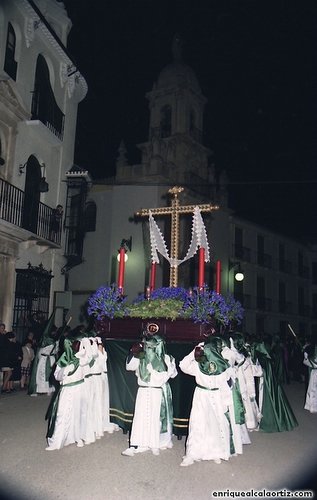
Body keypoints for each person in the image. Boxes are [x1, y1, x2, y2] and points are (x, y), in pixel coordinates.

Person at [179, 336, 245, 467]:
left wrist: (226, 402)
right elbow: (183, 365)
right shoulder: (198, 365)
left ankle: (216, 452)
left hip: (217, 395)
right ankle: (192, 454)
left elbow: (228, 383)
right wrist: (194, 352)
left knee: (216, 424)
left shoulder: (224, 366)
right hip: (201, 396)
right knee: (197, 424)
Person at [122, 328, 177, 457]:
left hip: (156, 392)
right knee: (140, 417)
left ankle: (154, 443)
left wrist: (153, 369)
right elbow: (129, 367)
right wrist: (133, 353)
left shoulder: (167, 359)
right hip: (143, 391)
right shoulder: (141, 356)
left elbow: (167, 376)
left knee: (155, 418)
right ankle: (135, 444)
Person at [303, 335, 317, 413]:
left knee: (313, 389)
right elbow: (307, 361)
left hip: (314, 372)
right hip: (314, 372)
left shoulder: (310, 348)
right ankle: (312, 406)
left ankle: (313, 406)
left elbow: (307, 361)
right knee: (312, 389)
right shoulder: (310, 349)